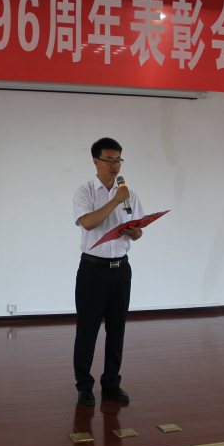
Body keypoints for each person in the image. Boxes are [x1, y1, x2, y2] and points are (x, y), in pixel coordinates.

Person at [72, 137, 145, 407]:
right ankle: (84, 386)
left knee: (117, 330)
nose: (115, 166)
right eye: (109, 160)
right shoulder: (85, 192)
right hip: (93, 269)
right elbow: (88, 223)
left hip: (121, 270)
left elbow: (138, 230)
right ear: (96, 161)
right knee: (88, 330)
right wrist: (115, 201)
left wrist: (135, 232)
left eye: (118, 160)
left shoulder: (129, 193)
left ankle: (111, 384)